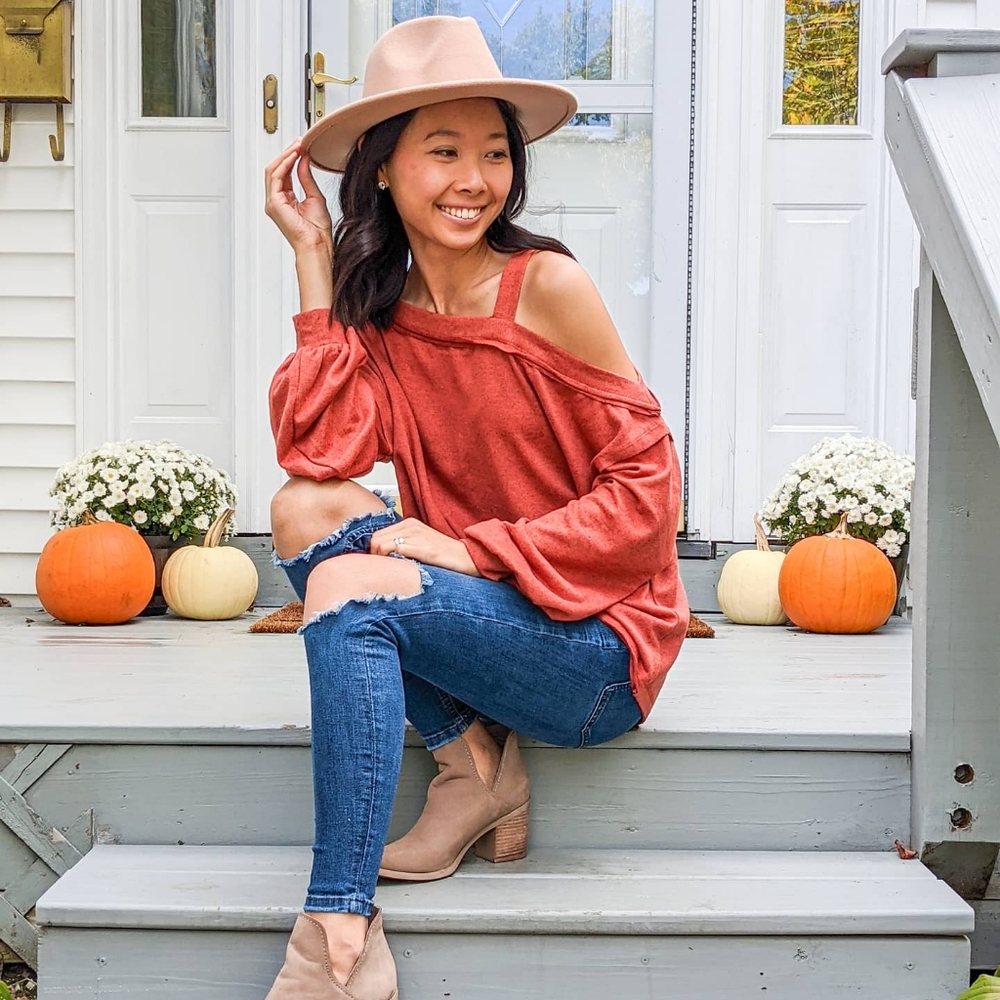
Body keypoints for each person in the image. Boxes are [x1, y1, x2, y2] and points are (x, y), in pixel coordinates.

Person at [261, 15, 689, 999]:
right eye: (443, 151)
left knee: (352, 584)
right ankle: (473, 769)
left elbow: (648, 500)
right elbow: (319, 454)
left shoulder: (547, 287)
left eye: (494, 153)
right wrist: (314, 259)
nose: (474, 179)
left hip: (597, 652)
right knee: (302, 512)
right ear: (381, 167)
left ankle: (336, 929)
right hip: (490, 617)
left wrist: (474, 549)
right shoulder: (384, 315)